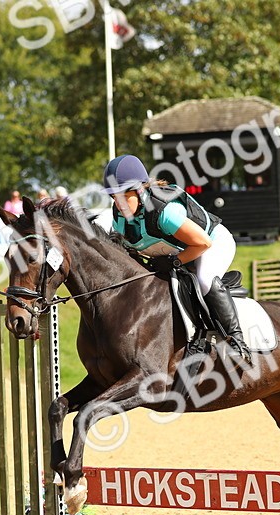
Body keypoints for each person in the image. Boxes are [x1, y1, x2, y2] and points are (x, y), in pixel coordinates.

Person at [101, 153, 249, 362]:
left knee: (204, 278)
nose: (119, 203)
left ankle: (236, 340)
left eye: (124, 196)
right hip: (178, 252)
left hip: (212, 243)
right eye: (114, 197)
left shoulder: (164, 212)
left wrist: (175, 261)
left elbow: (203, 243)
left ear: (140, 189)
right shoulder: (119, 219)